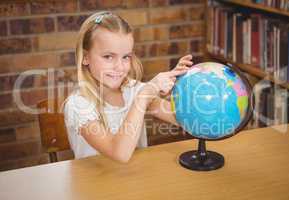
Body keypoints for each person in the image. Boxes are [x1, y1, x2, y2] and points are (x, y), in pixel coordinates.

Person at [63, 11, 193, 163]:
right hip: (96, 184)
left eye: (126, 57)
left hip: (136, 179)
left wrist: (181, 86)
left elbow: (185, 119)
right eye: (108, 57)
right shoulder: (78, 105)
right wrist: (145, 94)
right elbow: (119, 153)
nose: (119, 67)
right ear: (85, 57)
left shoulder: (133, 89)